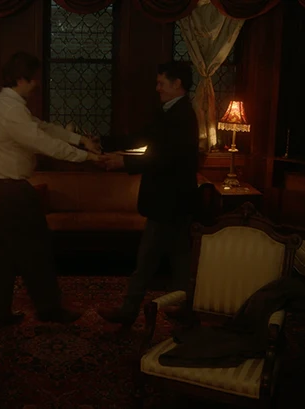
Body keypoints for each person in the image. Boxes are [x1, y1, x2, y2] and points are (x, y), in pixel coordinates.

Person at [0, 51, 105, 327]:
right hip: (10, 192)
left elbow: (43, 128)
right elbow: (44, 143)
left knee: (1, 255)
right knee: (36, 251)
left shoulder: (0, 105)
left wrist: (80, 140)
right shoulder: (10, 110)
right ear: (21, 79)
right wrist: (88, 157)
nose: (37, 84)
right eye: (34, 79)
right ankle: (49, 310)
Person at [96, 61, 199, 327]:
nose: (157, 88)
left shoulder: (181, 116)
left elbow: (163, 158)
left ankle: (129, 311)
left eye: (161, 83)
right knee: (180, 258)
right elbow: (143, 138)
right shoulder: (170, 112)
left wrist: (123, 162)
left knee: (147, 260)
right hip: (174, 201)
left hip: (169, 201)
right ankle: (183, 308)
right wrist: (103, 142)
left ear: (177, 84)